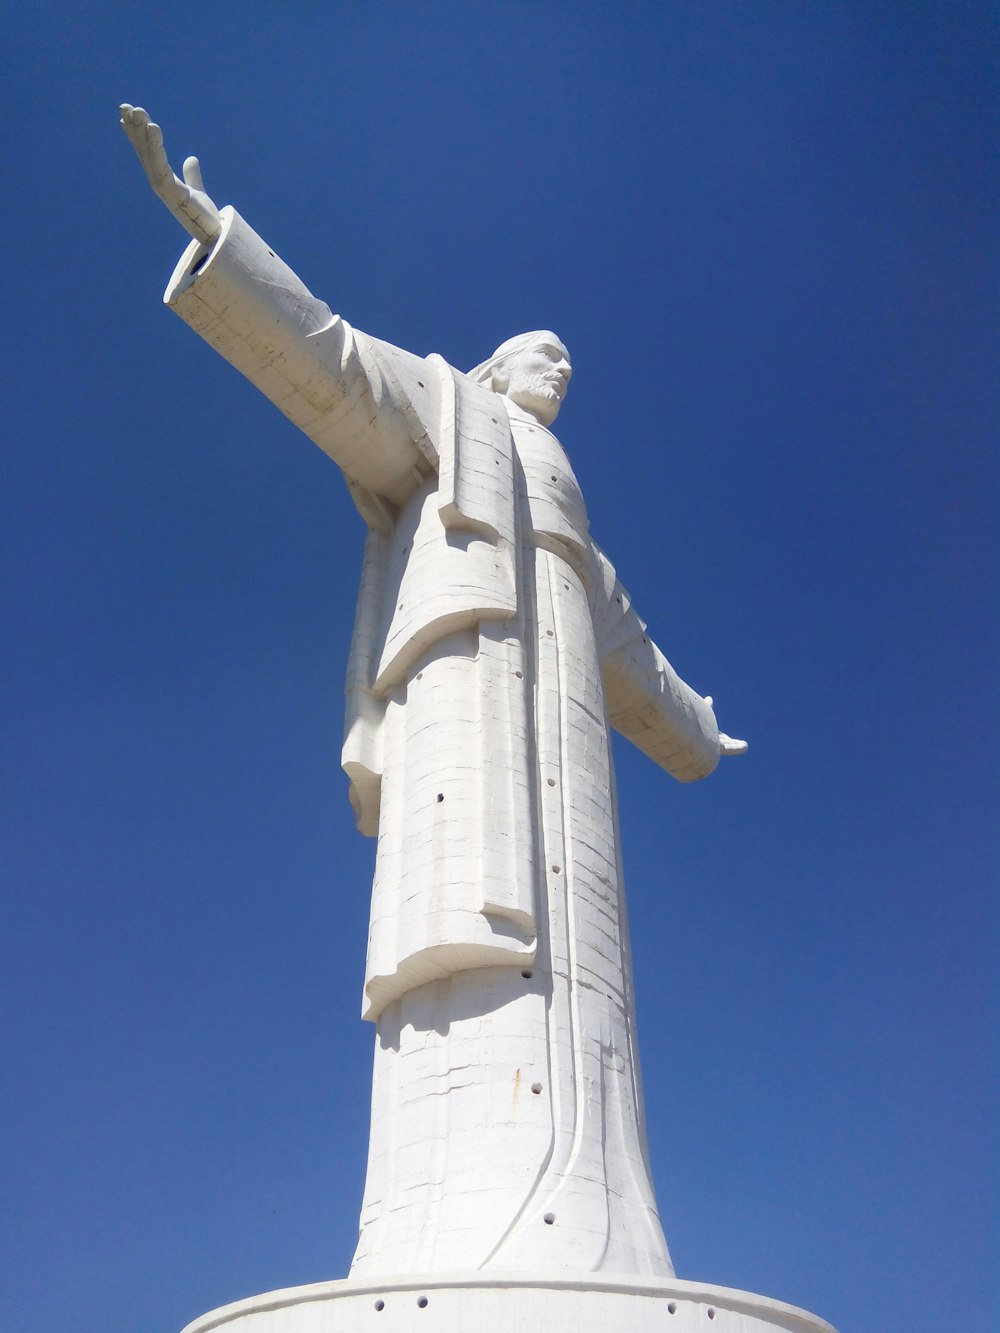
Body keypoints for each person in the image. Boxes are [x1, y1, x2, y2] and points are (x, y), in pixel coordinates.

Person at [121, 105, 747, 1280]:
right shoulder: (449, 413)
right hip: (470, 698)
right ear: (496, 368)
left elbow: (640, 661)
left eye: (569, 358)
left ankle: (600, 1225)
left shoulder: (580, 556)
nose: (559, 366)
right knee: (458, 940)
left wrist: (702, 733)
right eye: (540, 351)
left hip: (565, 744)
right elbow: (337, 359)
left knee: (584, 980)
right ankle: (445, 1233)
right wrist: (219, 241)